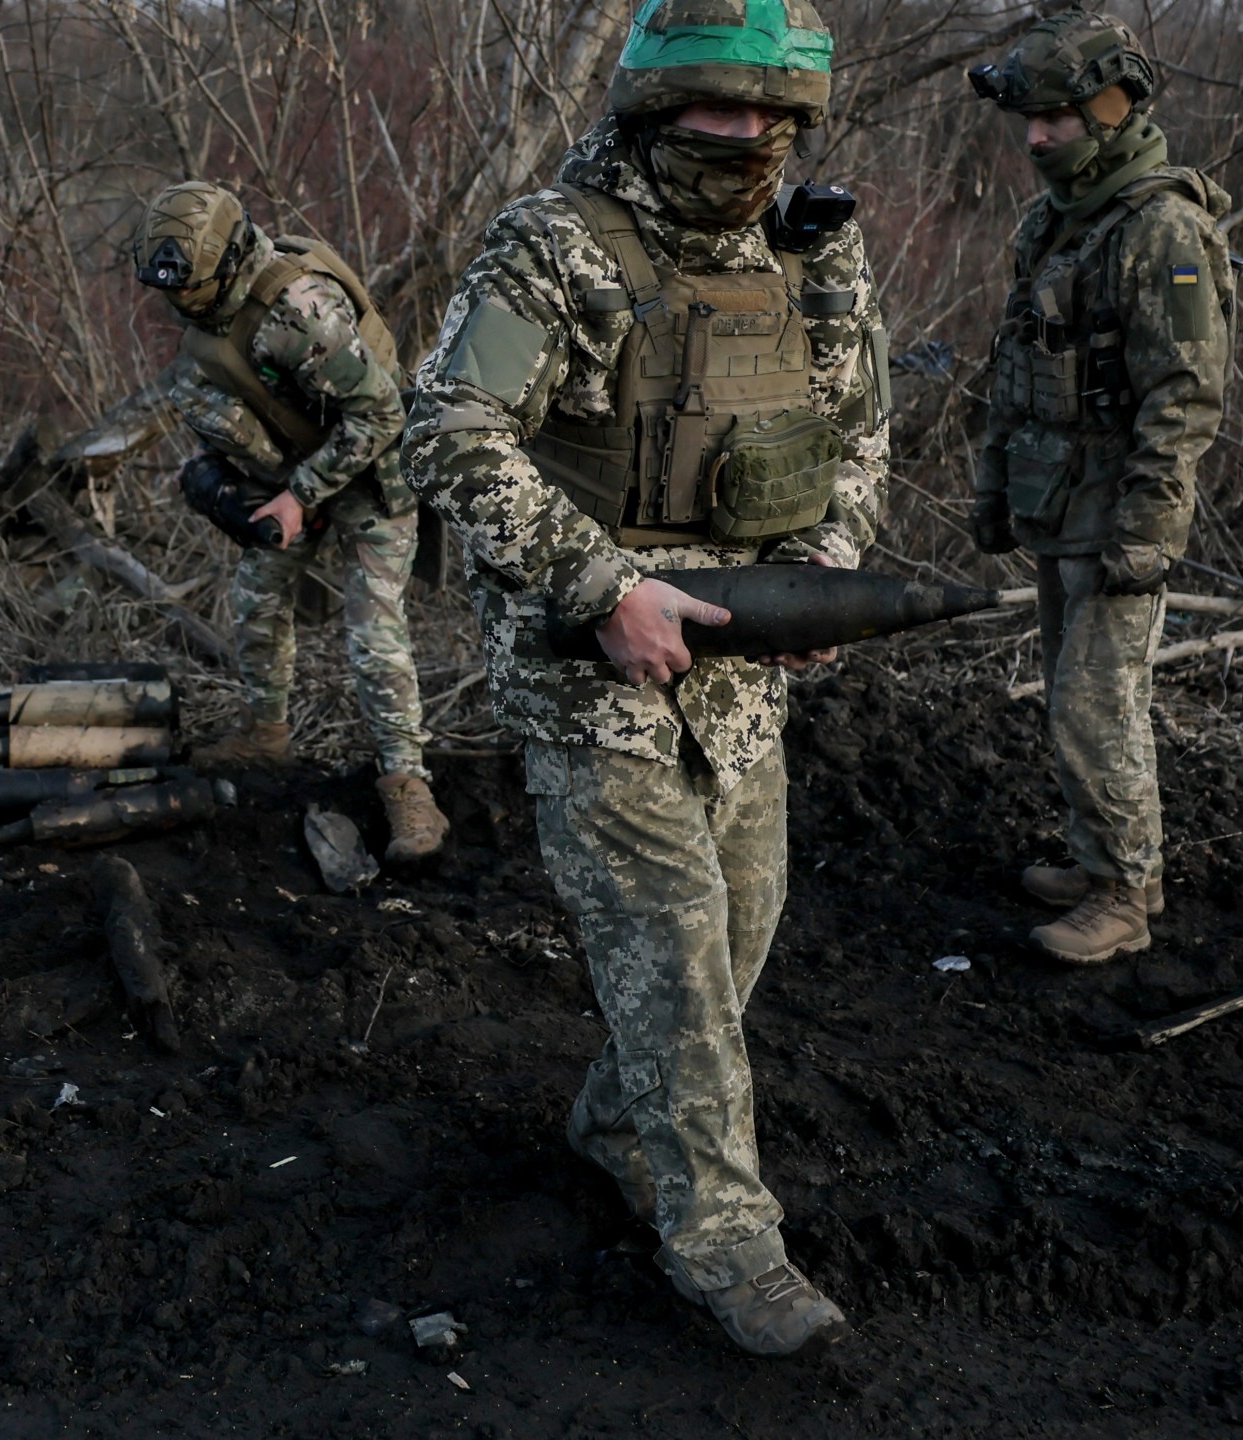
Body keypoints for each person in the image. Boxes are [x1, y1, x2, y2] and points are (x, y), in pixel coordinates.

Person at [404, 0, 885, 1358]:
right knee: (672, 961)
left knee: (742, 934)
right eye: (713, 117)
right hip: (587, 658)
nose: (743, 143)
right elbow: (445, 431)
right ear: (649, 111)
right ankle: (727, 1247)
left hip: (745, 658)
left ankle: (620, 1123)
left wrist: (827, 570)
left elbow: (857, 430)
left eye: (768, 121)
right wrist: (601, 587)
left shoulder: (814, 252)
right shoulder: (551, 245)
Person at [966, 11, 1236, 963]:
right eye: (1030, 120)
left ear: (1113, 111)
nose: (1036, 138)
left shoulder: (1162, 227)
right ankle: (1108, 860)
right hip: (1059, 499)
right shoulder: (1054, 223)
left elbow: (1185, 396)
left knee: (1094, 702)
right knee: (1072, 694)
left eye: (1058, 119)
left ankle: (1124, 894)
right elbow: (1014, 365)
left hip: (1117, 510)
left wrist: (1149, 530)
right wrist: (994, 483)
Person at [130, 181, 447, 864]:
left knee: (373, 633)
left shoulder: (301, 310)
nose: (180, 306)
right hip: (297, 469)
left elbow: (383, 415)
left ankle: (407, 784)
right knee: (256, 595)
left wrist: (302, 496)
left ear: (228, 258)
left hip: (371, 468)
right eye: (172, 294)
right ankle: (266, 733)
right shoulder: (211, 310)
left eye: (191, 291)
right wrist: (226, 482)